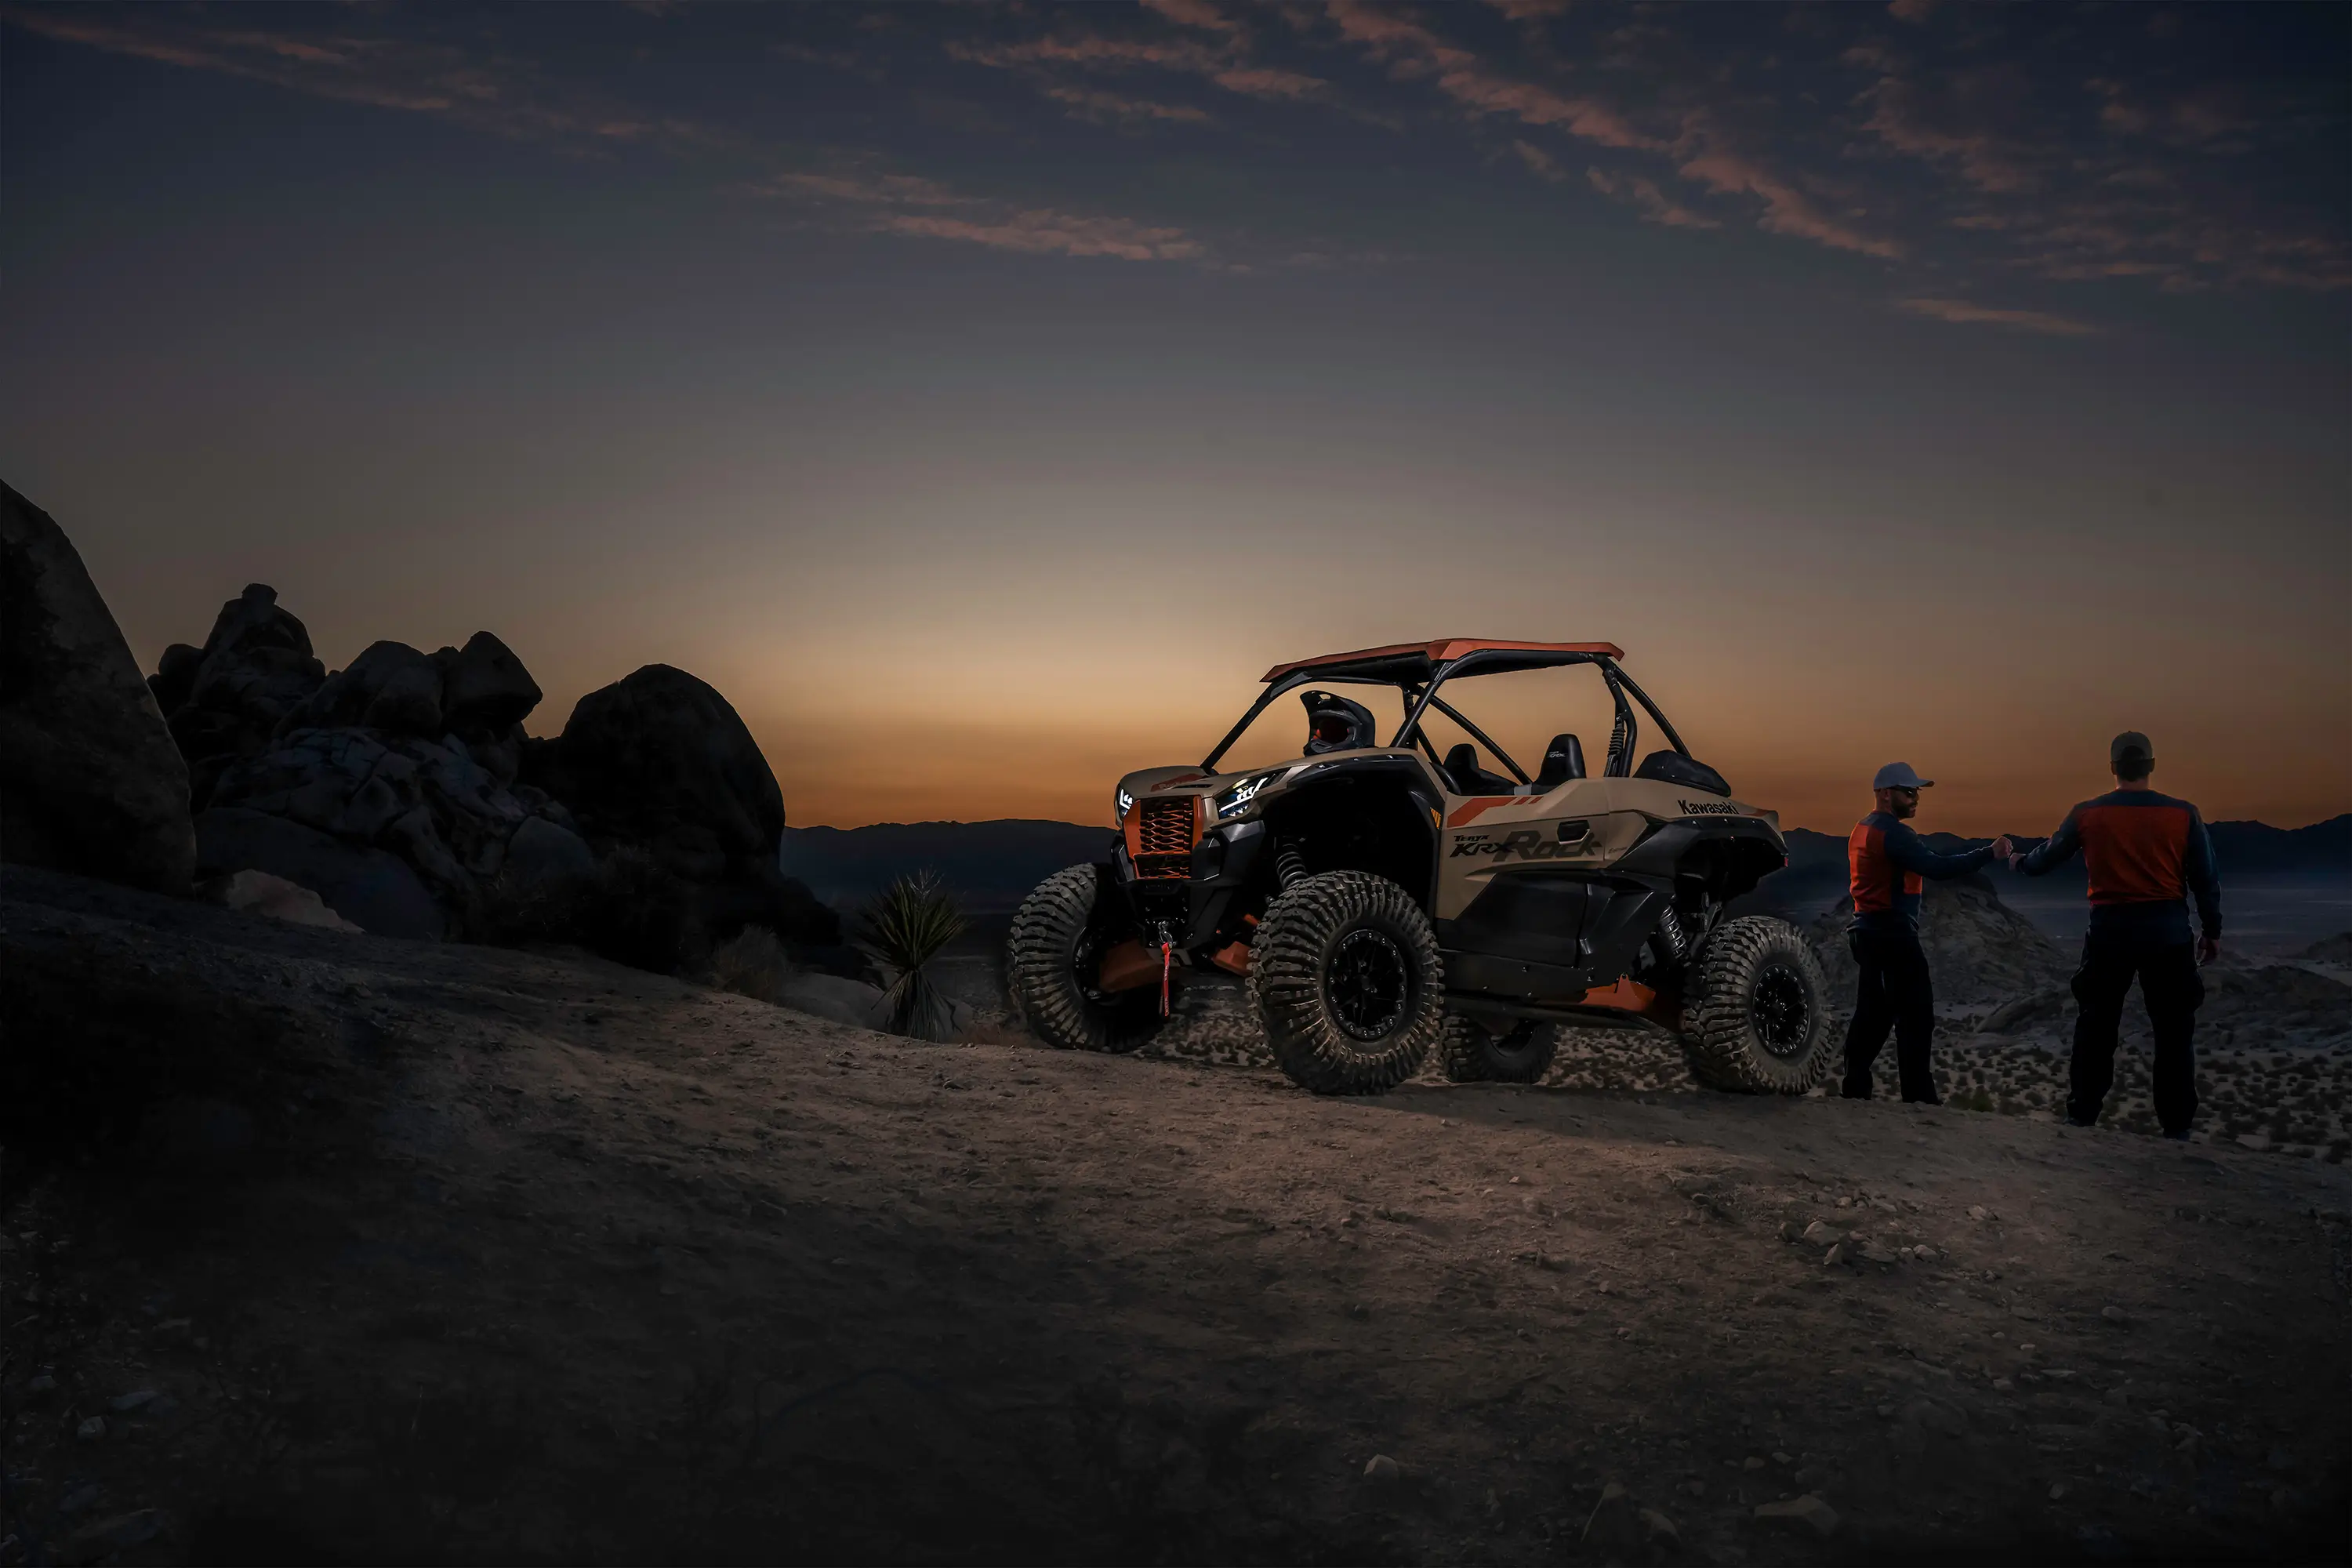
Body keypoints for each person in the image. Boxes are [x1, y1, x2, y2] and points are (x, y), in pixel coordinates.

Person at [2004, 731, 2220, 1139]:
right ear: (2152, 766)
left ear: (2113, 769)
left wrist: (2019, 863)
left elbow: (2048, 857)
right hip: (2169, 937)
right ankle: (2176, 1128)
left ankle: (2083, 1115)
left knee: (2096, 1028)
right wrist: (2212, 931)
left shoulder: (2088, 814)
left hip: (2109, 935)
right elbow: (2205, 878)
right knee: (2174, 1032)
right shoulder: (2183, 814)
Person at [1843, 763, 2011, 1104]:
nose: (1916, 798)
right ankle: (1919, 1099)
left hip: (1865, 931)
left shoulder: (1862, 828)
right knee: (1916, 1016)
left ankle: (1855, 1089)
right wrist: (1989, 853)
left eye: (1917, 791)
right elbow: (1938, 868)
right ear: (1886, 794)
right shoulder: (1896, 833)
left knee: (1873, 1014)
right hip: (1892, 934)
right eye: (1909, 792)